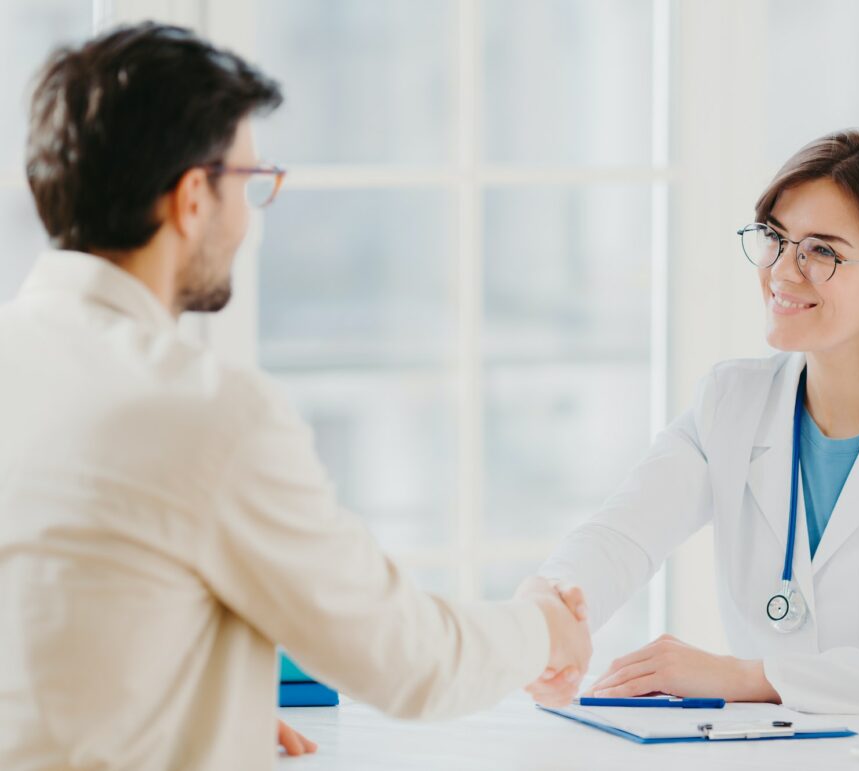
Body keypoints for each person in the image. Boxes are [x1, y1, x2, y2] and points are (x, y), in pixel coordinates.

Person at [0, 23, 590, 771]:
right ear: (191, 199)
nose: (249, 217)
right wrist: (543, 627)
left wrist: (193, 697)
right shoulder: (203, 413)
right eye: (248, 183)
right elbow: (409, 659)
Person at [538, 129, 859, 713]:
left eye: (821, 251)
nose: (783, 270)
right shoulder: (730, 403)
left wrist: (747, 678)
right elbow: (620, 538)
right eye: (776, 239)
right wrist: (550, 611)